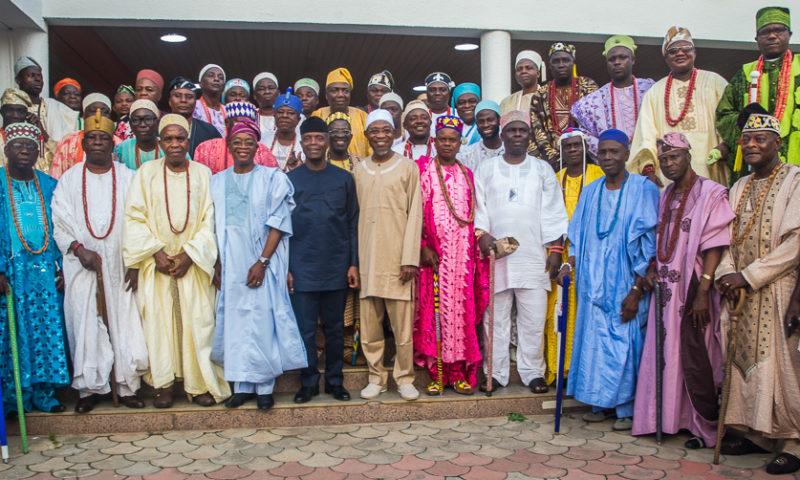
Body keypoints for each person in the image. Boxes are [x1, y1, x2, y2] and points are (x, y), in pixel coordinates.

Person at [631, 133, 735, 448]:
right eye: (663, 160)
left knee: (695, 355)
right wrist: (651, 269)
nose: (668, 164)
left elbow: (715, 243)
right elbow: (661, 241)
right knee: (666, 354)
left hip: (693, 288)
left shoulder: (711, 192)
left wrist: (704, 290)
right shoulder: (665, 195)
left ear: (688, 156)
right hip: (664, 288)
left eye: (674, 157)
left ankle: (700, 427)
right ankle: (666, 421)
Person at [123, 114, 230, 408]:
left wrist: (190, 254)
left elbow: (211, 219)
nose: (174, 144)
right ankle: (164, 385)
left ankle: (198, 385)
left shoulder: (203, 173)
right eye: (168, 139)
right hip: (155, 265)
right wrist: (156, 252)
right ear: (160, 142)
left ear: (188, 141)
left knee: (199, 323)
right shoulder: (145, 173)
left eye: (180, 138)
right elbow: (134, 216)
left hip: (193, 263)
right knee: (159, 326)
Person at [714, 107, 800, 476]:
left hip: (778, 287)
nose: (750, 145)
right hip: (740, 292)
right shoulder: (738, 186)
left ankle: (793, 441)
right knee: (743, 363)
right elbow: (724, 239)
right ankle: (754, 433)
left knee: (782, 366)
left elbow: (796, 240)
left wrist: (749, 276)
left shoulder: (795, 180)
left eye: (759, 139)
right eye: (746, 139)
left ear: (777, 143)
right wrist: (728, 272)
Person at [51, 110, 149, 413]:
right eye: (91, 138)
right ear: (83, 143)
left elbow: (141, 220)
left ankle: (126, 384)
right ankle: (89, 388)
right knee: (84, 323)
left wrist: (133, 262)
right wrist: (79, 250)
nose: (97, 143)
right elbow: (60, 220)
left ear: (111, 144)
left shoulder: (128, 177)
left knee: (124, 321)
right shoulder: (68, 180)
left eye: (103, 139)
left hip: (121, 265)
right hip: (82, 265)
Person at [562, 128, 658, 431]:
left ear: (626, 153)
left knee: (626, 344)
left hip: (627, 286)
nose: (607, 157)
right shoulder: (591, 190)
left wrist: (636, 290)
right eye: (602, 152)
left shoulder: (643, 188)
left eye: (614, 151)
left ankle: (627, 408)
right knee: (594, 343)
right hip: (592, 285)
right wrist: (569, 265)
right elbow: (576, 237)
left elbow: (651, 245)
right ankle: (600, 404)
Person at [210, 118, 306, 411]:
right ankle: (242, 387)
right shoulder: (217, 180)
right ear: (229, 146)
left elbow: (279, 222)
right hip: (230, 260)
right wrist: (216, 262)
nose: (242, 147)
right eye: (236, 142)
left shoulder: (273, 178)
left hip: (264, 260)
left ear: (257, 146)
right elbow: (212, 224)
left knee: (263, 321)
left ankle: (265, 388)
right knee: (236, 321)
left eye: (248, 142)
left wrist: (262, 261)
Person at [474, 110, 569, 393]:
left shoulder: (542, 169)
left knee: (533, 319)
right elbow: (479, 207)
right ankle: (496, 373)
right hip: (497, 256)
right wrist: (482, 235)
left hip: (534, 257)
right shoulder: (486, 169)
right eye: (512, 131)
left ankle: (532, 372)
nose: (517, 135)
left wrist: (555, 249)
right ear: (502, 135)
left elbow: (553, 211)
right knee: (496, 320)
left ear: (529, 136)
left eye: (522, 131)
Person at [286, 117, 358, 404]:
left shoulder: (343, 179)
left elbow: (352, 223)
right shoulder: (290, 180)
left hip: (336, 266)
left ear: (328, 141)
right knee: (304, 329)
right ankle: (308, 383)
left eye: (319, 138)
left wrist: (353, 264)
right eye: (309, 138)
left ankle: (335, 381)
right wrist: (288, 268)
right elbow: (283, 227)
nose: (314, 143)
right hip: (301, 267)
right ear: (301, 143)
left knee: (334, 328)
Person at [0, 122, 69, 414]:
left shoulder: (49, 184)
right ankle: (16, 398)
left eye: (31, 145)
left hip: (44, 271)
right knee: (14, 332)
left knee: (46, 332)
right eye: (18, 145)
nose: (25, 150)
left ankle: (45, 394)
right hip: (11, 273)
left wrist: (63, 266)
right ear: (7, 150)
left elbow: (63, 226)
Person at [354, 109, 422, 401]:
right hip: (367, 258)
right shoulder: (359, 170)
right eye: (374, 131)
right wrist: (354, 263)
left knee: (402, 328)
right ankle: (376, 378)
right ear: (367, 136)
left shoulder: (408, 168)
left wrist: (409, 258)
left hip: (398, 260)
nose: (380, 136)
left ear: (395, 134)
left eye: (386, 130)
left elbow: (415, 214)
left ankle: (405, 378)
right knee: (370, 327)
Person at [414, 115, 484, 395]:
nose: (446, 143)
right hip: (434, 259)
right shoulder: (424, 171)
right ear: (434, 141)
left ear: (459, 143)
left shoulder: (467, 174)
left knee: (462, 317)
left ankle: (459, 374)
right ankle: (436, 374)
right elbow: (414, 213)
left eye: (452, 139)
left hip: (462, 262)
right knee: (435, 316)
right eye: (441, 139)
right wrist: (422, 246)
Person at [629, 27, 730, 188]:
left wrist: (725, 146)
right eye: (673, 50)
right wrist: (648, 169)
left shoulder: (715, 82)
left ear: (694, 53)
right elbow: (645, 134)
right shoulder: (655, 92)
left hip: (711, 172)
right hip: (669, 177)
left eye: (686, 48)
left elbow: (730, 121)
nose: (680, 53)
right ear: (666, 58)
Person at [542, 128, 604, 386]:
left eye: (576, 145)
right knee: (558, 312)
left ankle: (583, 373)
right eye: (567, 147)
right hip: (561, 253)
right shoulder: (556, 178)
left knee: (585, 314)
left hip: (592, 254)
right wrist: (556, 251)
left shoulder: (598, 175)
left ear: (585, 148)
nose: (572, 150)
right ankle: (560, 371)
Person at [717, 6, 800, 183]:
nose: (772, 36)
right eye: (765, 32)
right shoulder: (745, 73)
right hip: (755, 166)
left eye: (778, 30)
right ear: (756, 39)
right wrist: (749, 125)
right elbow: (724, 114)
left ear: (789, 34)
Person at [571, 35, 655, 158]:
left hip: (650, 161)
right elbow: (586, 136)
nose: (617, 62)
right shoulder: (594, 100)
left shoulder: (650, 89)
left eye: (623, 57)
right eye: (612, 59)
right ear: (607, 63)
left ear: (632, 60)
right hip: (613, 167)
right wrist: (612, 156)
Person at [529, 44, 599, 169]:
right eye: (556, 61)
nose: (561, 65)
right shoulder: (540, 94)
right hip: (552, 163)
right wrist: (556, 159)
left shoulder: (588, 86)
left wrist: (582, 153)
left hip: (587, 158)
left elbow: (597, 122)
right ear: (550, 66)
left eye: (565, 60)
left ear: (573, 62)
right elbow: (537, 130)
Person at [193, 101, 277, 173]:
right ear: (227, 123)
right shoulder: (205, 148)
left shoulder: (262, 151)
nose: (243, 126)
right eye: (238, 122)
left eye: (248, 123)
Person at [50, 93, 119, 179]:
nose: (98, 115)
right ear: (84, 115)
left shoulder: (118, 143)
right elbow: (56, 176)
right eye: (93, 111)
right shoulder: (68, 141)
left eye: (104, 112)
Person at [14, 56, 79, 143]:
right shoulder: (10, 108)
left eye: (39, 76)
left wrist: (42, 132)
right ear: (18, 80)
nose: (37, 79)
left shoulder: (56, 107)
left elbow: (67, 145)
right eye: (31, 75)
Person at [312, 68, 371, 158]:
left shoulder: (363, 117)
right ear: (326, 95)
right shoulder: (317, 116)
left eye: (345, 91)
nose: (340, 95)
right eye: (335, 90)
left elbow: (371, 152)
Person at [1, 88, 56, 172]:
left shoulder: (33, 139)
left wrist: (41, 131)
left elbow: (57, 157)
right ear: (2, 112)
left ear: (26, 114)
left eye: (20, 111)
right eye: (10, 110)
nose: (15, 115)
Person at [167, 76, 221, 159]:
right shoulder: (157, 129)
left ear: (195, 103)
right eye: (177, 96)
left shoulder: (210, 131)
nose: (183, 100)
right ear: (170, 101)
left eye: (189, 97)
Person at [114, 99, 171, 170]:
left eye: (148, 119)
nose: (142, 125)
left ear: (157, 122)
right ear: (131, 124)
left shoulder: (169, 148)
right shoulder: (121, 149)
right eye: (136, 120)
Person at [262, 91, 305, 171]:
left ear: (298, 120)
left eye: (291, 113)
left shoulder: (304, 143)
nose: (284, 116)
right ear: (274, 116)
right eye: (280, 112)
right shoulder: (263, 140)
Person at [458, 100, 504, 172]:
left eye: (490, 120)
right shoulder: (467, 155)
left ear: (499, 120)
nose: (486, 125)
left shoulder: (510, 151)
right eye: (481, 121)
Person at [500, 51, 544, 115]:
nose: (523, 71)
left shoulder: (548, 98)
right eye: (519, 69)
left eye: (528, 68)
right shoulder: (507, 102)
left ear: (538, 73)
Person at [194, 64, 226, 136]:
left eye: (220, 77)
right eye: (211, 75)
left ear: (223, 86)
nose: (216, 79)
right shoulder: (193, 106)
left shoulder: (228, 111)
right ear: (201, 83)